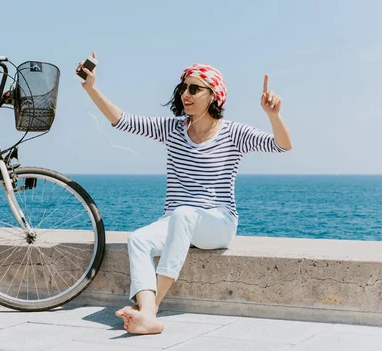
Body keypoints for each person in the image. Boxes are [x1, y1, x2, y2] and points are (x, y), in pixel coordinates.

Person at [77, 52, 292, 335]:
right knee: (139, 239)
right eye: (183, 88)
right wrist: (91, 88)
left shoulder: (233, 133)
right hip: (178, 221)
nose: (185, 95)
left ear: (214, 95)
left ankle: (150, 312)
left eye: (194, 88)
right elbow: (122, 120)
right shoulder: (174, 130)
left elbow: (282, 145)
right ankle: (146, 311)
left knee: (184, 213)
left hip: (218, 223)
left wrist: (273, 116)